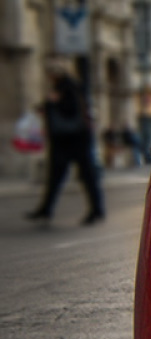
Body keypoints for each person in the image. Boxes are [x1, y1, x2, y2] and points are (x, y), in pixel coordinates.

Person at [26, 61, 105, 225]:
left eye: (51, 74)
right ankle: (46, 209)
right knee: (59, 176)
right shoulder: (69, 87)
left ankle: (96, 209)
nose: (50, 78)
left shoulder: (68, 88)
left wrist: (52, 103)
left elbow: (70, 110)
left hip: (73, 139)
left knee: (84, 175)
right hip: (70, 139)